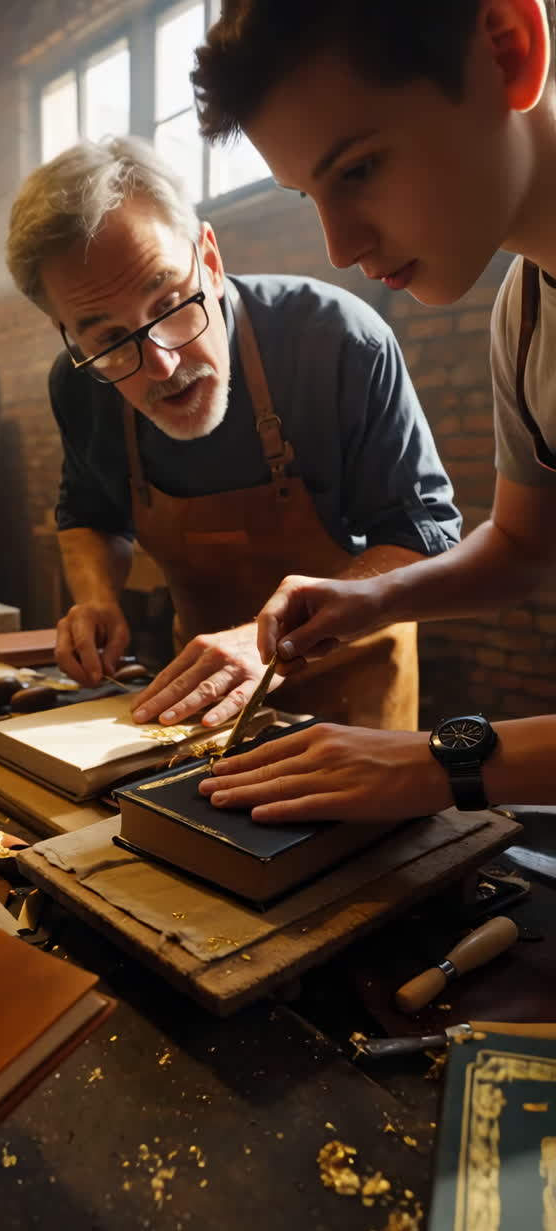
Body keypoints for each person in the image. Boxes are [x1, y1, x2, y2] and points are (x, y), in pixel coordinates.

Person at [191, 0, 556, 822]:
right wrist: (373, 600)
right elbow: (527, 546)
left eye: (357, 169)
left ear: (507, 49)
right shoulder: (525, 315)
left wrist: (444, 763)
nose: (339, 247)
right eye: (309, 195)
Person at [6, 136, 460, 732]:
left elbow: (423, 540)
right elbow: (89, 513)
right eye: (108, 340)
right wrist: (96, 597)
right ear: (65, 331)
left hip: (354, 706)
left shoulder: (337, 341)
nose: (162, 365)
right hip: (202, 712)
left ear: (210, 260)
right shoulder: (80, 385)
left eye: (169, 304)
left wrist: (265, 643)